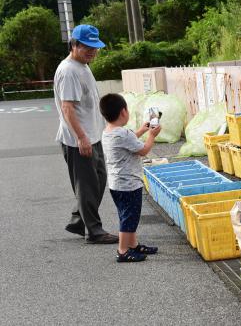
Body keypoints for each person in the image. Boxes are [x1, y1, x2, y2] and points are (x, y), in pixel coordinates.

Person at [54, 24, 118, 243]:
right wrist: (81, 137)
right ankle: (94, 231)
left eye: (95, 47)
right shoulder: (69, 71)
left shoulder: (83, 65)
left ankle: (78, 220)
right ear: (74, 45)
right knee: (88, 185)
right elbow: (67, 108)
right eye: (87, 47)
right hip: (78, 139)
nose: (92, 51)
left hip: (93, 135)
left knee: (99, 180)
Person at [100, 93, 161, 262]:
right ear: (123, 112)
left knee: (127, 215)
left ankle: (133, 245)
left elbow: (129, 139)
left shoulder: (109, 132)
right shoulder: (124, 134)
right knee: (129, 218)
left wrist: (142, 129)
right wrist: (151, 136)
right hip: (129, 184)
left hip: (116, 184)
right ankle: (123, 250)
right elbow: (143, 150)